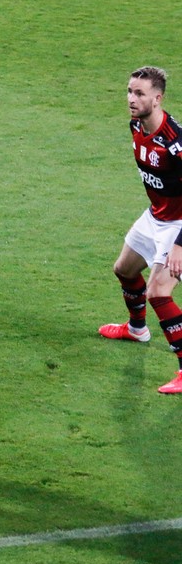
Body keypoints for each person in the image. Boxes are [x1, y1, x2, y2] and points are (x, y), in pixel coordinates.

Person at [99, 66, 182, 394]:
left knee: (159, 292)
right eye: (130, 92)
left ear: (158, 98)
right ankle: (136, 329)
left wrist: (178, 245)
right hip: (156, 216)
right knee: (124, 269)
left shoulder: (175, 143)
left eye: (140, 94)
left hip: (179, 225)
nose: (131, 99)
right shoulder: (136, 125)